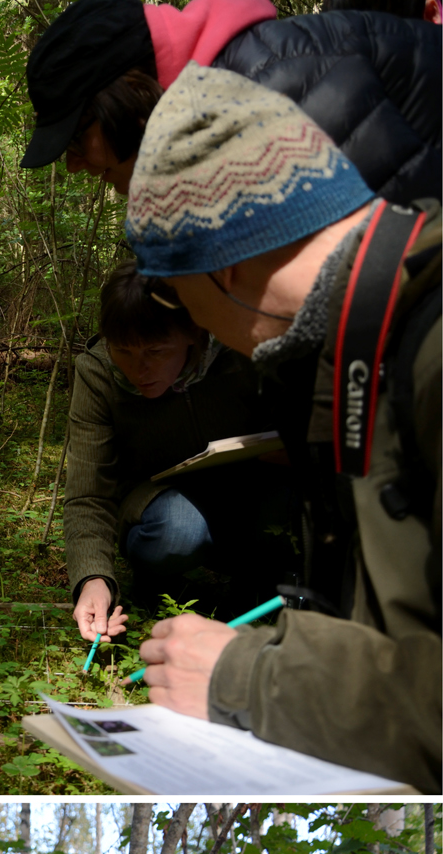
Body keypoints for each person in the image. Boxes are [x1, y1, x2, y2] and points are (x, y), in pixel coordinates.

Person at [124, 66, 440, 792]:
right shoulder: (374, 332)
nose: (202, 331)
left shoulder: (426, 348)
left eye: (183, 303)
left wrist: (252, 678)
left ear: (224, 268)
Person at [66, 262, 296, 644]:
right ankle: (160, 581)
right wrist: (92, 580)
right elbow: (89, 493)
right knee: (177, 530)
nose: (139, 369)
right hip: (159, 503)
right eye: (123, 351)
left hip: (248, 485)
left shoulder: (239, 351)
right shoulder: (98, 373)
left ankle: (258, 577)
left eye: (156, 351)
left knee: (289, 501)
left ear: (192, 333)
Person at [20, 0, 441, 205]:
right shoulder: (229, 101)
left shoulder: (275, 96)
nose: (73, 164)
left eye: (76, 137)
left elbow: (400, 261)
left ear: (126, 96)